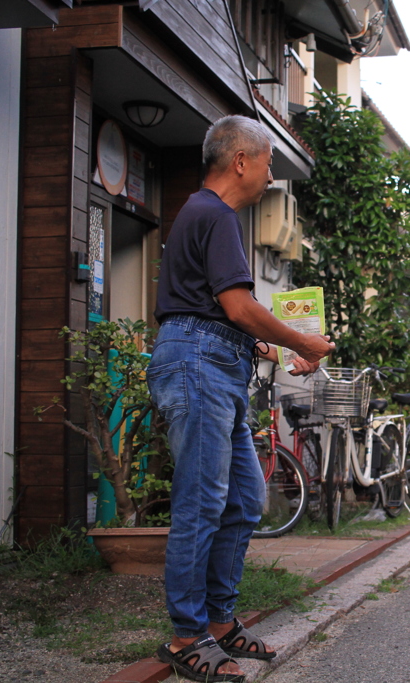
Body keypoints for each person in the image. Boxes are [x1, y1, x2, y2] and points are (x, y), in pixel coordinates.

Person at [147, 114, 334, 683]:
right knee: (203, 503)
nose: (272, 172)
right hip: (199, 365)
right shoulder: (215, 214)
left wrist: (280, 351)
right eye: (270, 160)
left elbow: (219, 317)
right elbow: (234, 307)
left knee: (244, 499)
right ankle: (186, 636)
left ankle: (220, 622)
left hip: (211, 361)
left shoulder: (202, 215)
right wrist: (303, 339)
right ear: (241, 161)